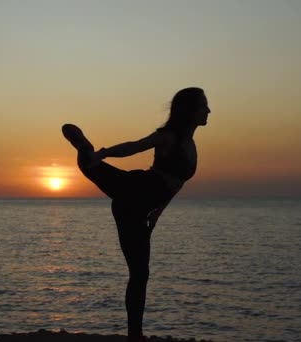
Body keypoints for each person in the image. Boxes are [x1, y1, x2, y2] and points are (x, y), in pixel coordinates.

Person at [61, 87, 210, 341]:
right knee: (139, 272)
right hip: (133, 192)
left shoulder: (191, 144)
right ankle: (85, 148)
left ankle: (135, 334)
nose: (208, 110)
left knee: (141, 273)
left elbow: (175, 185)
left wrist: (157, 214)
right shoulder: (168, 137)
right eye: (203, 105)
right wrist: (105, 153)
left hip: (143, 207)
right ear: (190, 110)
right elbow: (134, 147)